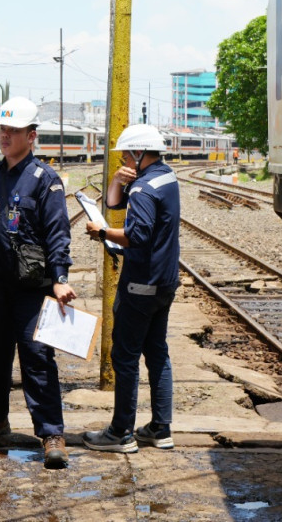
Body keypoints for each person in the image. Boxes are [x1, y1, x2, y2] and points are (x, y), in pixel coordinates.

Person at [0, 96, 78, 469]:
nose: (5, 136)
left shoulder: (46, 180)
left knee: (37, 359)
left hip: (31, 289)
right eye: (2, 129)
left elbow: (58, 233)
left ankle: (51, 434)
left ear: (31, 136)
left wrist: (60, 279)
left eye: (13, 131)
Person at [82, 124, 181, 453]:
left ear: (140, 153)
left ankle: (120, 432)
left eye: (126, 153)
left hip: (140, 285)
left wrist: (102, 232)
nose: (122, 158)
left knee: (124, 356)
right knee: (157, 353)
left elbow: (135, 235)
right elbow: (114, 203)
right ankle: (160, 428)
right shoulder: (166, 178)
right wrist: (115, 182)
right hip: (164, 282)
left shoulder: (142, 191)